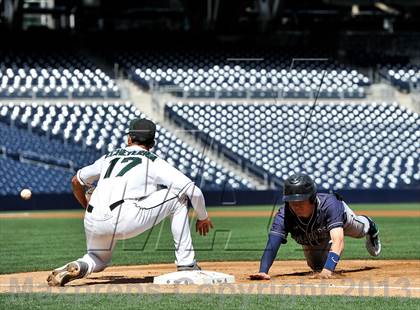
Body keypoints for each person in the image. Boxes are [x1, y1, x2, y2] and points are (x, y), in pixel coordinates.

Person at [47, 118, 213, 286]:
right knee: (179, 197)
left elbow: (76, 181)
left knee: (97, 258)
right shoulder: (153, 161)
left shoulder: (109, 157)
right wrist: (203, 217)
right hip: (125, 218)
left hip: (93, 219)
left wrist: (85, 205)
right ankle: (187, 264)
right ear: (153, 143)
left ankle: (79, 266)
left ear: (129, 139)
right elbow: (194, 191)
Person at [250, 173, 381, 280]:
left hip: (342, 221)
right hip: (314, 238)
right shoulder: (284, 215)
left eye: (300, 201)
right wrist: (263, 271)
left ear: (312, 198)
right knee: (317, 267)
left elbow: (339, 241)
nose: (295, 205)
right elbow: (272, 245)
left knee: (361, 231)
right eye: (291, 201)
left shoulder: (330, 205)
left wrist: (328, 270)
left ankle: (370, 225)